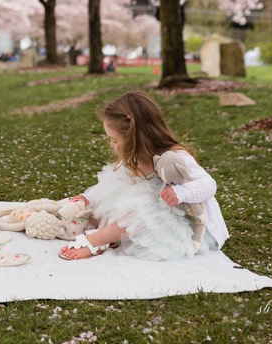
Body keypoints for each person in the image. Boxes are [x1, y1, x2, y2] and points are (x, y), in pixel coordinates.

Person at [60, 92, 227, 260]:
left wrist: (180, 193)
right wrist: (86, 197)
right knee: (109, 197)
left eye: (115, 140)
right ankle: (95, 225)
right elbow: (111, 185)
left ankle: (97, 239)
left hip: (185, 225)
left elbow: (209, 184)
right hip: (146, 212)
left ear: (136, 139)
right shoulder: (133, 158)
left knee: (146, 206)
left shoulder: (174, 158)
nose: (111, 144)